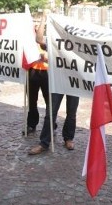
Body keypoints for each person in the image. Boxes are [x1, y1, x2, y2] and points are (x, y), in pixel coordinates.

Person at [28, 19, 79, 154]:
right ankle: (44, 143)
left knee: (72, 113)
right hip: (58, 81)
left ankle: (68, 138)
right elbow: (39, 39)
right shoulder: (56, 43)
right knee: (51, 113)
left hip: (74, 83)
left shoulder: (79, 45)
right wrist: (44, 18)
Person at [25, 20, 49, 135]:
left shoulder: (48, 35)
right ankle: (31, 124)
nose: (36, 24)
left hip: (47, 72)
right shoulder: (27, 36)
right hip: (32, 70)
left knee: (49, 101)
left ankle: (50, 125)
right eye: (34, 21)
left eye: (39, 22)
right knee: (31, 100)